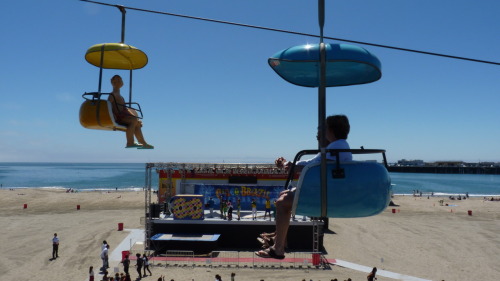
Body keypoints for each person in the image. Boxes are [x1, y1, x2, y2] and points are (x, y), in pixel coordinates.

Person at [255, 115, 352, 259]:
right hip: (328, 191)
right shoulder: (338, 148)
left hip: (324, 195)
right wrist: (289, 164)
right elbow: (312, 162)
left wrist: (290, 166)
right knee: (284, 195)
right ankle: (279, 238)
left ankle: (279, 247)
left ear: (330, 130)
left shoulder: (334, 150)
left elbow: (311, 166)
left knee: (282, 203)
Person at [108, 75, 153, 149]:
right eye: (117, 80)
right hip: (118, 117)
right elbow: (108, 106)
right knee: (133, 121)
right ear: (112, 82)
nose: (119, 82)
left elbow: (125, 109)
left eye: (120, 80)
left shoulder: (120, 96)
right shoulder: (112, 95)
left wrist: (136, 118)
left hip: (123, 115)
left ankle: (143, 142)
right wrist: (112, 116)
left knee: (137, 123)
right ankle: (130, 142)